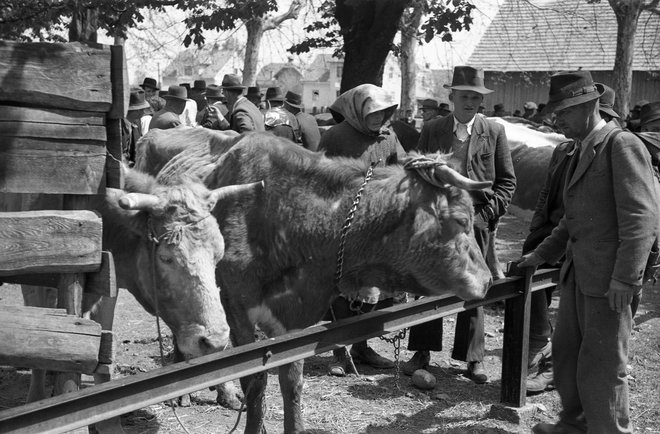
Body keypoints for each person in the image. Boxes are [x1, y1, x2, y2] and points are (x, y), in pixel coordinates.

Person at [519, 70, 658, 434]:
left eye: (563, 112)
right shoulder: (579, 149)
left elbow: (641, 218)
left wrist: (626, 279)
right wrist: (542, 254)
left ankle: (609, 430)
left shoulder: (622, 145)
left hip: (610, 281)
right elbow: (572, 218)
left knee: (603, 362)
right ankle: (575, 424)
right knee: (567, 356)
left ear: (591, 105)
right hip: (579, 274)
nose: (556, 119)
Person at [404, 65, 517, 384]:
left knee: (475, 285)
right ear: (451, 96)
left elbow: (507, 182)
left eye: (476, 98)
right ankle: (422, 352)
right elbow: (417, 173)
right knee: (427, 282)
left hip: (477, 222)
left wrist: (486, 216)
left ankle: (473, 359)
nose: (470, 102)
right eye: (464, 96)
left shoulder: (493, 131)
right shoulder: (434, 128)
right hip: (437, 220)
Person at [318, 83, 407, 376]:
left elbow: (402, 168)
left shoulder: (388, 136)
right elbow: (318, 175)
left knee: (373, 286)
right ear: (358, 110)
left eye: (384, 112)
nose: (379, 118)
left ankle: (361, 346)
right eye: (374, 112)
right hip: (345, 225)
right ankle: (338, 352)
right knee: (344, 288)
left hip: (377, 224)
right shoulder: (336, 136)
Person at [123, 87, 153, 166]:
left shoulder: (137, 122)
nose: (144, 111)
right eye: (142, 108)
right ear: (136, 110)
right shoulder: (119, 126)